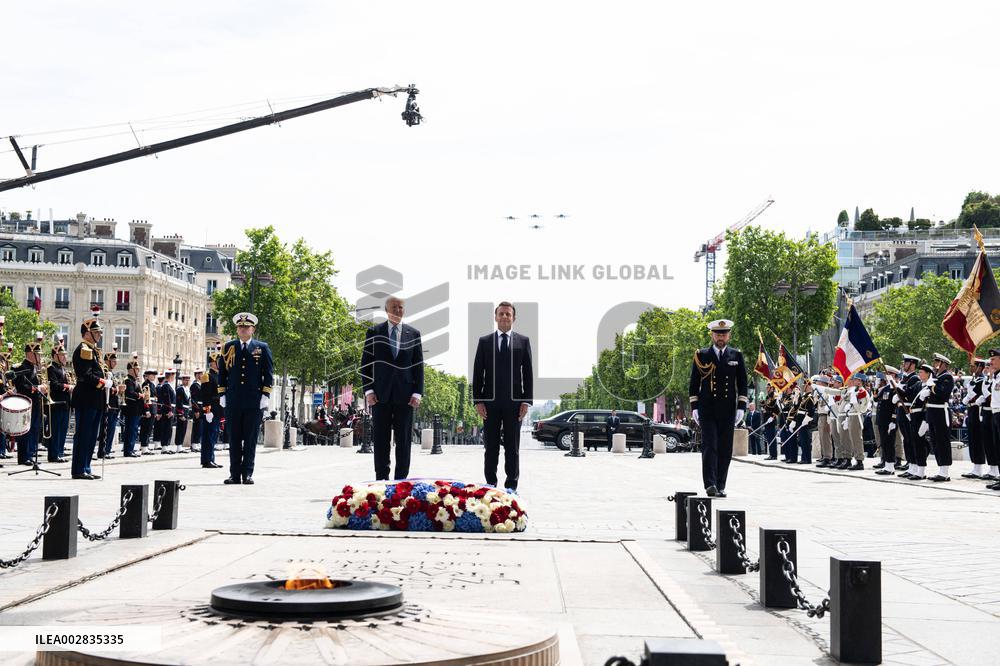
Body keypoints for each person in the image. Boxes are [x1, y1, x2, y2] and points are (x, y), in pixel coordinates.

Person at [360, 297, 424, 481]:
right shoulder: (374, 332)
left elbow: (418, 365)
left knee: (404, 442)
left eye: (400, 307)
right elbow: (365, 365)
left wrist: (417, 392)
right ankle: (381, 480)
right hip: (379, 396)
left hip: (406, 397)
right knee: (381, 440)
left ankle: (401, 481)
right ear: (386, 310)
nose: (397, 310)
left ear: (404, 310)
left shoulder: (414, 333)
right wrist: (369, 391)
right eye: (393, 307)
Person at [472, 301, 533, 491]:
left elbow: (528, 374)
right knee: (490, 448)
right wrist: (478, 400)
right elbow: (477, 372)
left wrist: (526, 401)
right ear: (495, 317)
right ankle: (490, 486)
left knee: (512, 448)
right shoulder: (484, 342)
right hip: (489, 403)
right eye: (501, 314)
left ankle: (511, 488)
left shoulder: (523, 341)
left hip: (515, 404)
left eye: (508, 314)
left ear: (514, 318)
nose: (505, 317)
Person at [688, 318, 748, 498]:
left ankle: (721, 485)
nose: (721, 337)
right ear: (712, 335)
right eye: (717, 334)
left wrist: (741, 407)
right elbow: (694, 383)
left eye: (724, 334)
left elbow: (743, 383)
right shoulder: (701, 355)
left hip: (728, 409)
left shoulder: (736, 355)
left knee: (724, 448)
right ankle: (710, 484)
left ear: (729, 335)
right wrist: (694, 407)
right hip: (707, 408)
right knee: (709, 446)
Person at [218, 312, 274, 485]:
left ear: (253, 329)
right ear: (237, 329)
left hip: (253, 401)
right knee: (234, 439)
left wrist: (265, 395)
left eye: (246, 327)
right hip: (233, 401)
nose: (243, 330)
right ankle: (234, 474)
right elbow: (222, 373)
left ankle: (247, 473)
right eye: (240, 327)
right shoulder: (229, 347)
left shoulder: (261, 347)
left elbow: (268, 374)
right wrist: (222, 394)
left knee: (249, 439)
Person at [70, 316, 108, 480]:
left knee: (92, 435)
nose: (99, 335)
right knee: (84, 434)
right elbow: (85, 374)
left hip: (95, 398)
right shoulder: (84, 349)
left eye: (99, 332)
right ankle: (79, 469)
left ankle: (86, 466)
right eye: (96, 332)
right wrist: (102, 382)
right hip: (87, 397)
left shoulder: (94, 350)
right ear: (87, 333)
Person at [12, 338, 47, 466]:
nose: (39, 357)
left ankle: (31, 454)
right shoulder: (20, 367)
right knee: (25, 430)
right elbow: (21, 386)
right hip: (25, 404)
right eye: (38, 354)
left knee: (34, 429)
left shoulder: (34, 368)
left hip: (35, 403)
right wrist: (37, 388)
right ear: (31, 354)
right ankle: (23, 457)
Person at [924, 353, 955, 481]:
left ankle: (945, 471)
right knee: (935, 442)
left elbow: (942, 393)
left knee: (942, 442)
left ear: (943, 364)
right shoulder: (936, 377)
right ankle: (941, 469)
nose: (934, 364)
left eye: (937, 362)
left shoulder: (947, 377)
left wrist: (931, 386)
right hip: (933, 412)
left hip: (941, 412)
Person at [46, 340, 73, 463]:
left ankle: (60, 452)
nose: (64, 357)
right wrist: (68, 387)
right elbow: (54, 385)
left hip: (65, 403)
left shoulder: (63, 369)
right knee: (55, 430)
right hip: (56, 403)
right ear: (55, 355)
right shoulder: (51, 368)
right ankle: (53, 454)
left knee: (63, 430)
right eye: (62, 355)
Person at [961, 358, 988, 479]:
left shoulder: (982, 380)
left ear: (980, 367)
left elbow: (984, 395)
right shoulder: (974, 380)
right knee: (972, 438)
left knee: (978, 438)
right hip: (971, 409)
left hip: (978, 410)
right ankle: (975, 467)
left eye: (973, 366)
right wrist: (967, 397)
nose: (971, 368)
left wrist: (974, 396)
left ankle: (979, 468)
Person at [873, 367, 899, 475]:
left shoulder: (896, 388)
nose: (885, 376)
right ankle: (887, 465)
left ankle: (890, 466)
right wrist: (876, 385)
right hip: (882, 421)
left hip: (889, 421)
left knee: (889, 443)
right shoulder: (886, 388)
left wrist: (893, 420)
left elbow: (896, 407)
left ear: (893, 375)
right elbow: (875, 398)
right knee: (885, 443)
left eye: (888, 374)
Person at [97, 350, 123, 458]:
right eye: (113, 361)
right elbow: (105, 388)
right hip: (108, 404)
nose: (115, 363)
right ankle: (103, 451)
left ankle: (107, 450)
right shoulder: (105, 372)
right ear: (107, 361)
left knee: (111, 429)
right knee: (106, 429)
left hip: (114, 406)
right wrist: (117, 390)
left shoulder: (112, 374)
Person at [200, 354, 222, 468]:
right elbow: (205, 396)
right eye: (218, 360)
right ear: (212, 363)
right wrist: (207, 411)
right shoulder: (207, 376)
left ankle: (211, 458)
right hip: (211, 410)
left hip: (217, 409)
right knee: (208, 435)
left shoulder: (218, 376)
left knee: (213, 435)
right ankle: (206, 460)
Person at [122, 358, 143, 457]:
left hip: (136, 409)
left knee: (134, 430)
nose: (138, 371)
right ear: (131, 370)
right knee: (130, 430)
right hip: (131, 409)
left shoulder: (135, 380)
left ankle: (131, 449)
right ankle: (128, 450)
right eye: (137, 369)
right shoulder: (128, 380)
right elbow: (130, 393)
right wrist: (140, 395)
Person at [157, 369, 177, 453]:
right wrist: (169, 410)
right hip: (167, 409)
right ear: (171, 375)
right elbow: (167, 399)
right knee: (166, 428)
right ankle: (164, 446)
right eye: (173, 376)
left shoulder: (169, 385)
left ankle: (167, 445)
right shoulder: (166, 386)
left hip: (170, 408)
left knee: (169, 428)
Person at [139, 369, 157, 454]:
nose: (154, 376)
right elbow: (145, 398)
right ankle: (144, 446)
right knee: (145, 429)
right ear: (148, 375)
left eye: (154, 375)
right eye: (152, 375)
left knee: (149, 429)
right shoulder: (145, 384)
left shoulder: (152, 384)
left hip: (152, 408)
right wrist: (146, 410)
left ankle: (146, 445)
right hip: (148, 409)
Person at [175, 373, 192, 452]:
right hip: (181, 410)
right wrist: (180, 413)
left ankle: (180, 445)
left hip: (186, 410)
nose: (187, 381)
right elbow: (179, 402)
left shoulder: (187, 389)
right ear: (182, 380)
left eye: (188, 380)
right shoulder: (180, 389)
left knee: (184, 429)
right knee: (180, 429)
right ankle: (178, 446)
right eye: (186, 380)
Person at [190, 369, 202, 452]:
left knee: (200, 427)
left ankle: (197, 442)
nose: (202, 375)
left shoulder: (200, 385)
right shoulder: (195, 385)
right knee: (196, 427)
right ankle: (194, 444)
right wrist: (196, 410)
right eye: (200, 374)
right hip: (197, 408)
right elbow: (193, 400)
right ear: (197, 375)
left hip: (201, 408)